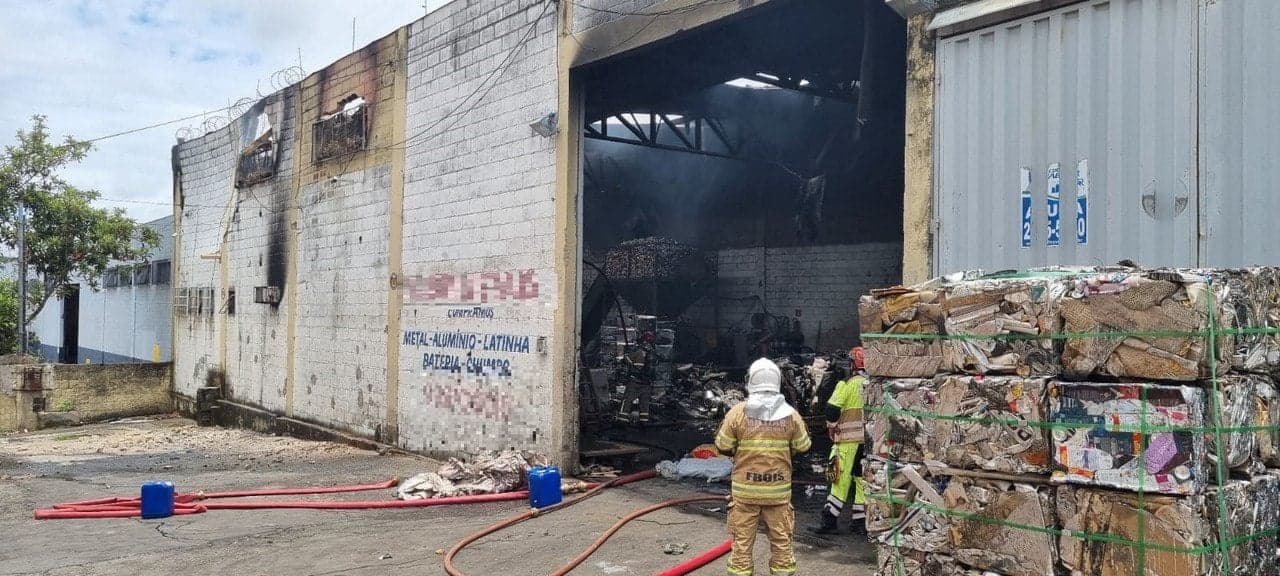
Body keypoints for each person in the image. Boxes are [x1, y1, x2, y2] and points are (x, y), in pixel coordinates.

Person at [715, 358, 812, 576]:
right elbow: (804, 446)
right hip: (778, 492)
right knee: (781, 543)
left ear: (752, 382)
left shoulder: (737, 412)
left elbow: (722, 445)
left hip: (745, 491)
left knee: (741, 543)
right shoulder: (790, 414)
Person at [812, 346, 867, 536]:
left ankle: (829, 521)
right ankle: (860, 522)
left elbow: (832, 409)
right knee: (861, 481)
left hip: (846, 443)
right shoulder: (874, 385)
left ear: (853, 364)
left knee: (839, 479)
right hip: (867, 444)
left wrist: (831, 426)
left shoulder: (846, 384)